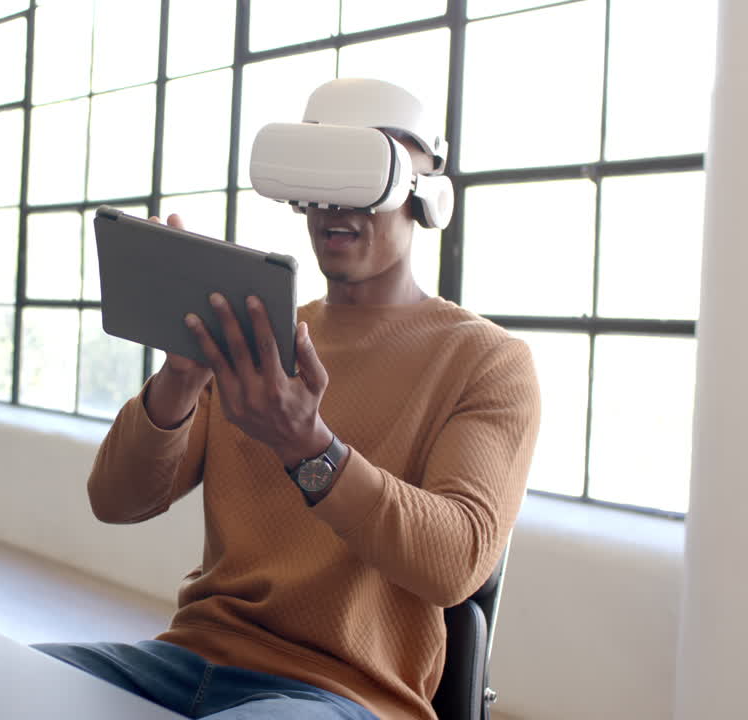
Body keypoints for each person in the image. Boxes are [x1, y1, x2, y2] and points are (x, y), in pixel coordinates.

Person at [35, 78, 540, 720]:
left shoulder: (486, 361)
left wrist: (310, 449)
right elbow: (115, 501)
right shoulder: (262, 336)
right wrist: (181, 378)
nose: (335, 206)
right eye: (322, 178)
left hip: (342, 693)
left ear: (424, 195)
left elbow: (455, 562)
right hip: (185, 659)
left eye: (363, 176)